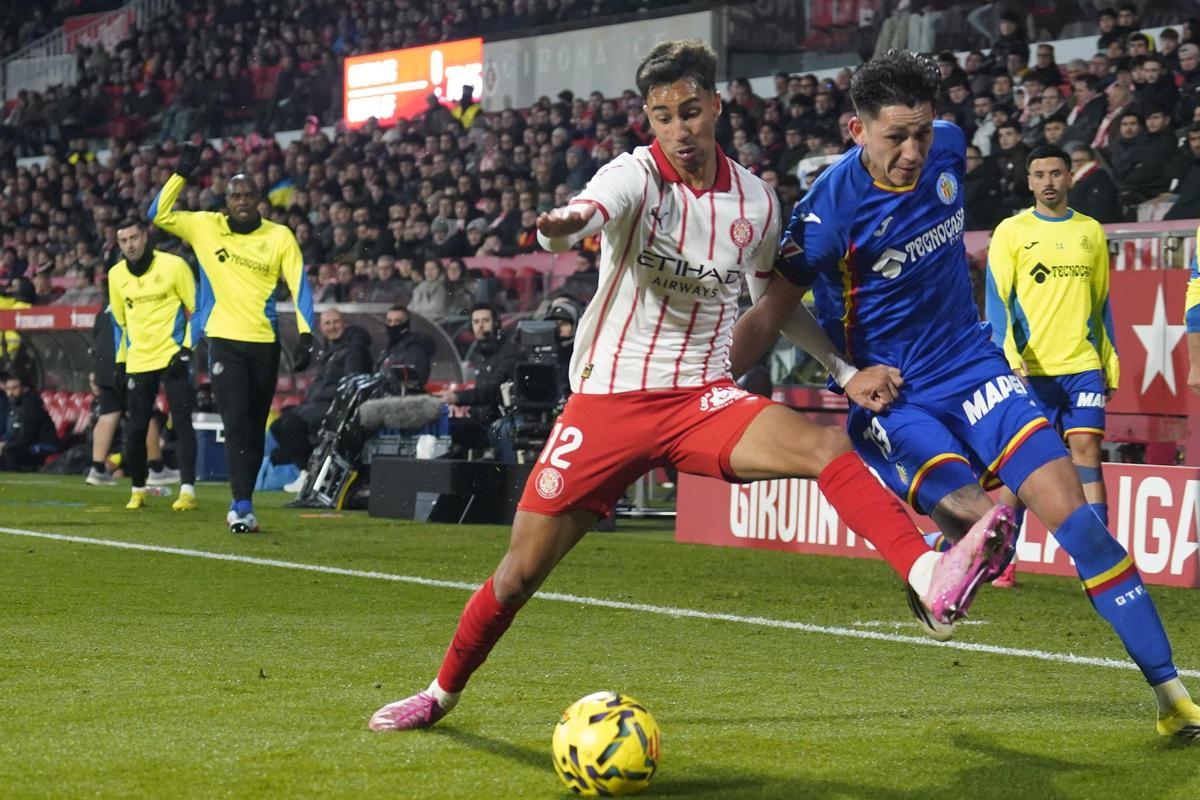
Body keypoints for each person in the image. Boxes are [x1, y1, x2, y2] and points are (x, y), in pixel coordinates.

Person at [368, 39, 1016, 733]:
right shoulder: (636, 176)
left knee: (825, 450)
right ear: (649, 118)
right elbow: (592, 209)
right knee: (519, 574)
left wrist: (844, 371)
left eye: (690, 111)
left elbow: (774, 299)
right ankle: (441, 694)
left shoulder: (757, 202)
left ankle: (927, 578)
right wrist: (565, 229)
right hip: (608, 403)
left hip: (698, 399)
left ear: (715, 106)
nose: (679, 128)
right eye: (663, 115)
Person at [733, 50, 1200, 738]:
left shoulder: (948, 148)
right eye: (896, 137)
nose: (914, 151)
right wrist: (840, 373)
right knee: (985, 525)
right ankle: (934, 563)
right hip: (895, 395)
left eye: (923, 132)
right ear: (857, 130)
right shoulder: (828, 211)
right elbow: (769, 308)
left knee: (1081, 525)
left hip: (974, 365)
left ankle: (1174, 702)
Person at [149, 145, 316, 533]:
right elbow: (156, 213)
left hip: (264, 343)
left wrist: (307, 334)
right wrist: (181, 173)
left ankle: (245, 501)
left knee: (254, 426)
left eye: (248, 195)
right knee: (236, 419)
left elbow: (299, 284)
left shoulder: (279, 236)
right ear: (227, 201)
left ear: (258, 199)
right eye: (235, 196)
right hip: (224, 340)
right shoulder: (206, 225)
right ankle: (240, 504)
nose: (242, 201)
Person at [985, 144, 1120, 587]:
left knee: (1088, 457)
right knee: (1025, 469)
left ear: (1070, 177)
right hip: (1030, 369)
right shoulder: (1012, 231)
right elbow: (998, 301)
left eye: (1056, 173)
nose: (1048, 181)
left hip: (1081, 363)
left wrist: (1109, 359)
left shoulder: (1091, 232)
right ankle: (1001, 558)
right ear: (1029, 182)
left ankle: (1097, 562)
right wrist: (1008, 357)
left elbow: (1101, 303)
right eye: (1039, 174)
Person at [108, 218, 199, 511]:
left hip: (172, 355)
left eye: (133, 238)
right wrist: (120, 362)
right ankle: (138, 489)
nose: (129, 245)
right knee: (135, 429)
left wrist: (186, 350)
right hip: (139, 359)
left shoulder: (174, 266)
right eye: (123, 241)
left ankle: (187, 490)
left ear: (145, 236)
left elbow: (197, 310)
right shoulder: (115, 275)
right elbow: (119, 323)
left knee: (182, 423)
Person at [269, 307, 371, 479]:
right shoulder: (329, 349)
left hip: (335, 406)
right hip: (316, 404)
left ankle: (310, 472)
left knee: (290, 425)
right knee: (277, 425)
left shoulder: (354, 349)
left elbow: (351, 382)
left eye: (336, 322)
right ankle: (308, 470)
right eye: (327, 323)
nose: (332, 327)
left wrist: (322, 395)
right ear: (321, 327)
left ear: (344, 324)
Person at [0, 373, 58, 471]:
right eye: (8, 389)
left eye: (15, 388)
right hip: (25, 442)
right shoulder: (15, 406)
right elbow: (12, 433)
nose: (10, 392)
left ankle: (15, 477)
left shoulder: (30, 406)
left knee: (8, 450)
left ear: (24, 389)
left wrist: (6, 445)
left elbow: (27, 437)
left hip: (42, 443)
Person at [376, 304, 435, 389]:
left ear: (406, 323)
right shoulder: (390, 349)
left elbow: (413, 383)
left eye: (397, 321)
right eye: (389, 321)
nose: (392, 325)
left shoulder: (415, 350)